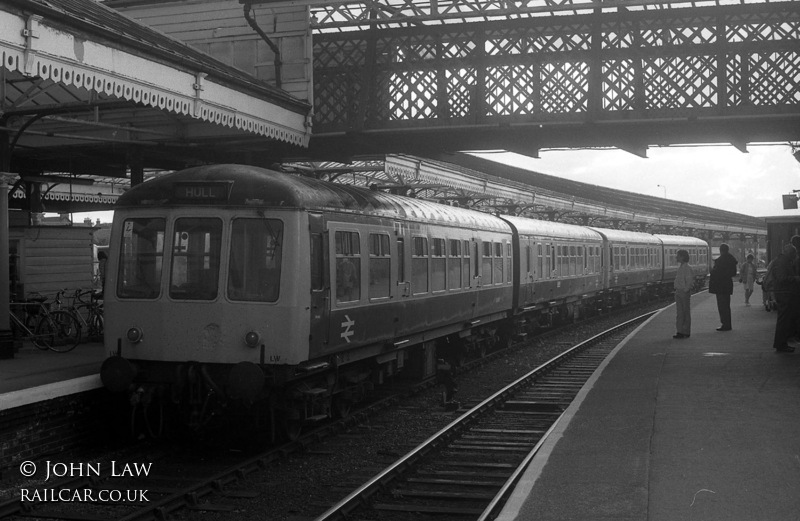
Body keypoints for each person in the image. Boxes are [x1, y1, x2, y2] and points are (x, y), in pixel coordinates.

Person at [772, 243, 800, 352]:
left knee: (785, 320)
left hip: (785, 294)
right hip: (784, 294)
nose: (795, 255)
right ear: (790, 253)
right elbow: (781, 278)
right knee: (783, 320)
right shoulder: (782, 262)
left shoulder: (783, 261)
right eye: (794, 253)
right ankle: (780, 344)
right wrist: (795, 278)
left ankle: (782, 343)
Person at [708, 243, 738, 331]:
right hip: (728, 285)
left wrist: (712, 271)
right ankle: (727, 324)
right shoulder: (731, 259)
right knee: (726, 306)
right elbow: (733, 273)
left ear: (721, 250)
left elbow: (716, 273)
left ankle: (725, 324)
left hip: (720, 286)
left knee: (722, 306)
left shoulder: (720, 261)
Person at [673, 249, 693, 339]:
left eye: (678, 256)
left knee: (685, 312)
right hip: (678, 291)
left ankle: (686, 331)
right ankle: (680, 331)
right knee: (680, 313)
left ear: (683, 257)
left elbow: (689, 281)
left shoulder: (687, 268)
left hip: (683, 292)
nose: (676, 257)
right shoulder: (681, 267)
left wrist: (685, 290)